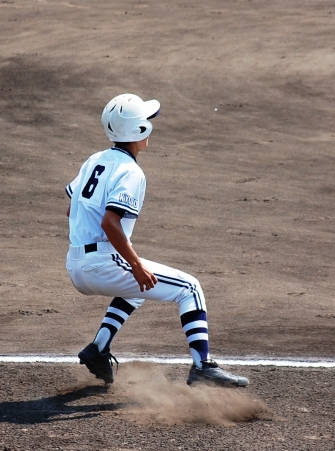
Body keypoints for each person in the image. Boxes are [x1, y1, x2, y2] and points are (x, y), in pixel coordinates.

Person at [65, 93, 248, 387]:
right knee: (189, 288)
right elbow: (110, 222)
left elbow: (72, 208)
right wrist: (135, 264)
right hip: (100, 264)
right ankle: (202, 366)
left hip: (76, 263)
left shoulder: (94, 160)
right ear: (139, 129)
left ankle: (98, 348)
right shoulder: (130, 172)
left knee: (139, 288)